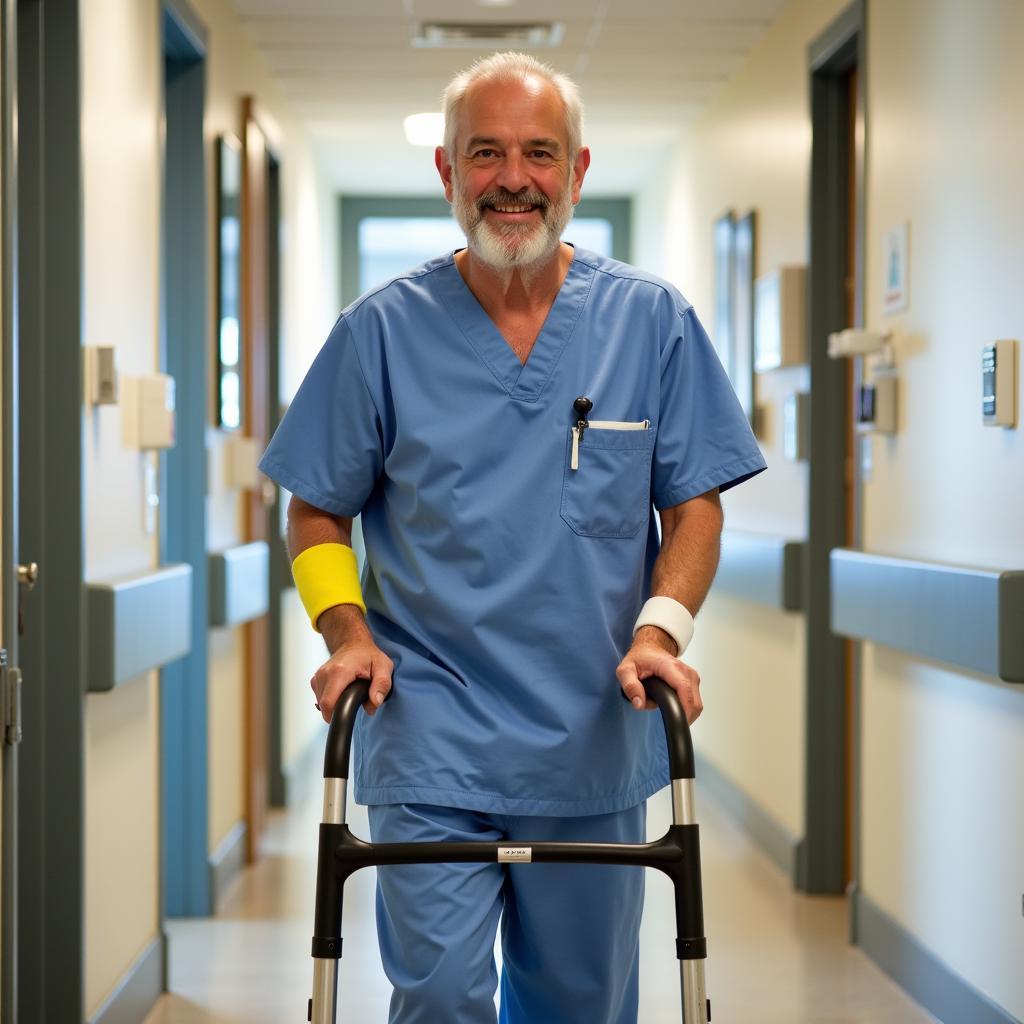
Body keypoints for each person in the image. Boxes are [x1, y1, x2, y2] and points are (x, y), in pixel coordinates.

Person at [259, 51, 765, 1024]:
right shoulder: (378, 334)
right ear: (448, 173)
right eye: (483, 152)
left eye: (539, 152)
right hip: (428, 725)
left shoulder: (649, 322)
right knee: (440, 996)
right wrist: (346, 634)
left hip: (589, 724)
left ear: (576, 171)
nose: (512, 178)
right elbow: (316, 505)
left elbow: (695, 498)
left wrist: (658, 632)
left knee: (578, 1004)